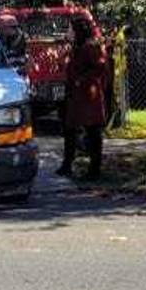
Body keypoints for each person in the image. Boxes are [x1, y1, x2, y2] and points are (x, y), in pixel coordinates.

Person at [55, 17, 108, 178]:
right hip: (76, 96)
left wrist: (81, 80)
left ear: (78, 31)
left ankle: (94, 169)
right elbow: (70, 67)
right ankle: (67, 164)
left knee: (92, 132)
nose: (68, 32)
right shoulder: (76, 48)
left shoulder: (90, 47)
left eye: (70, 29)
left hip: (88, 96)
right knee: (70, 130)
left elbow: (99, 68)